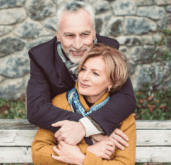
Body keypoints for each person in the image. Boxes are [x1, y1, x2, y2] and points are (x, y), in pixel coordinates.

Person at [27, 1, 136, 148]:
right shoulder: (40, 56)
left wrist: (86, 127)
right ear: (58, 35)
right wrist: (90, 126)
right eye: (69, 35)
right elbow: (36, 109)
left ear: (94, 33)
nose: (78, 45)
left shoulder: (110, 48)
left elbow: (126, 97)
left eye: (84, 34)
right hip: (60, 138)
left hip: (106, 142)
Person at [32, 43, 136, 165]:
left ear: (111, 82)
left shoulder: (122, 116)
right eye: (83, 69)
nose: (84, 77)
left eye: (95, 73)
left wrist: (81, 159)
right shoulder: (60, 103)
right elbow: (38, 154)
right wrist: (87, 151)